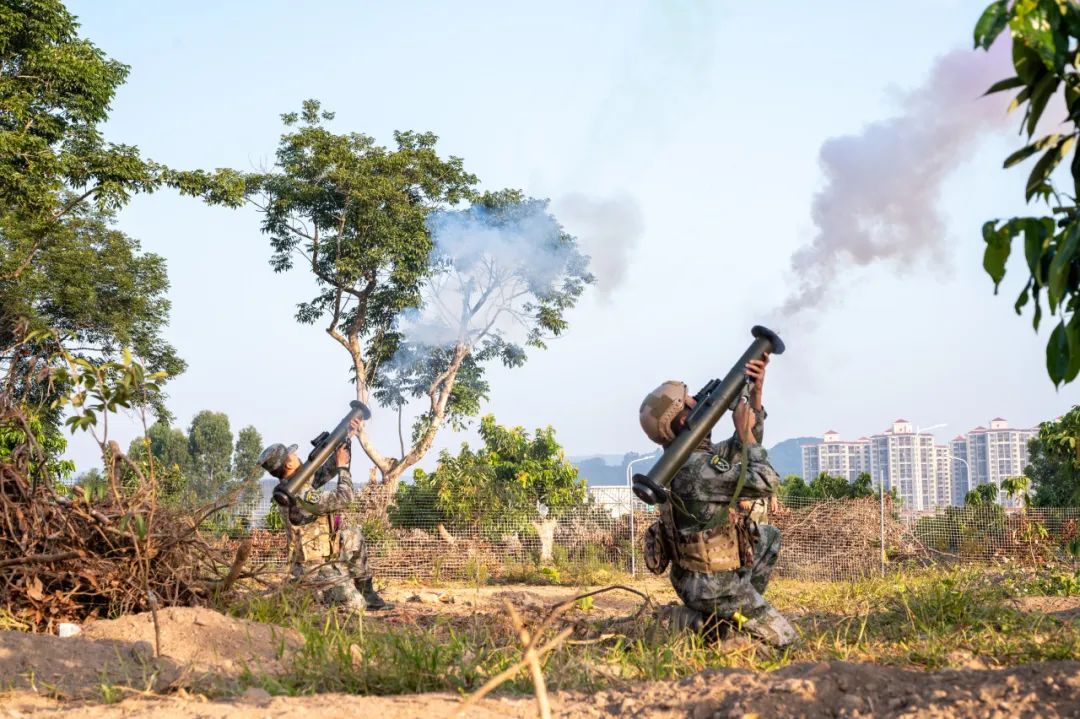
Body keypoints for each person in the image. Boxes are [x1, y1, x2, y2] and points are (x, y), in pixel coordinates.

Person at [639, 355, 795, 647]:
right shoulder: (697, 469)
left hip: (691, 579)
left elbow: (740, 449)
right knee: (786, 643)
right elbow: (766, 481)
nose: (699, 401)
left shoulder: (681, 462)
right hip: (713, 586)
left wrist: (756, 397)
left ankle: (726, 615)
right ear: (684, 420)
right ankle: (706, 623)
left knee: (768, 536)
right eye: (691, 400)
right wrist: (746, 433)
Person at [258, 418, 390, 611]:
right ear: (288, 465)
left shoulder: (293, 485)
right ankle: (307, 592)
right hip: (313, 567)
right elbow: (345, 497)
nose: (297, 455)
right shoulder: (298, 493)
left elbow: (326, 471)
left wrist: (346, 437)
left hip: (325, 557)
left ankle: (367, 593)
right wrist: (343, 468)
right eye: (292, 455)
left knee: (353, 535)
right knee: (354, 605)